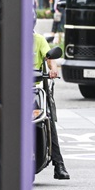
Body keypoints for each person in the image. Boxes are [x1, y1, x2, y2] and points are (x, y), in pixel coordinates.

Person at [33, 30, 70, 179]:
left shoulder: (39, 40)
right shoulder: (9, 36)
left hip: (32, 89)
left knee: (47, 119)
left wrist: (53, 69)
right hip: (10, 88)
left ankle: (59, 164)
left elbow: (50, 58)